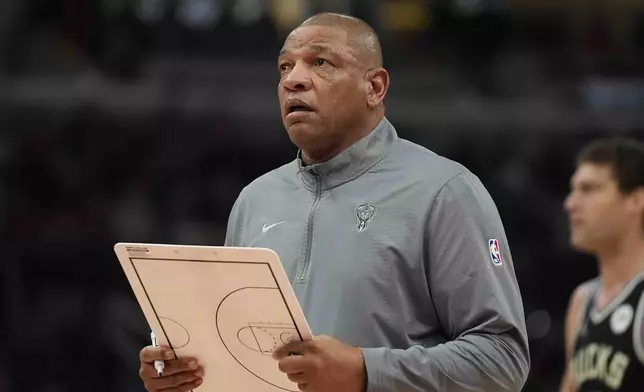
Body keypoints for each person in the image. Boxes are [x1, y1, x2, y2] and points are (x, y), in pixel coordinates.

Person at [137, 12, 530, 392]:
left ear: (374, 88)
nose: (294, 80)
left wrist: (366, 372)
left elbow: (502, 359)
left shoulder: (444, 190)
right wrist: (187, 374)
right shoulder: (255, 199)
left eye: (320, 62)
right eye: (285, 67)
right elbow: (241, 357)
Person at [559, 138, 644, 392]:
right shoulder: (582, 300)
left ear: (636, 200)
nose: (571, 203)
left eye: (589, 189)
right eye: (573, 190)